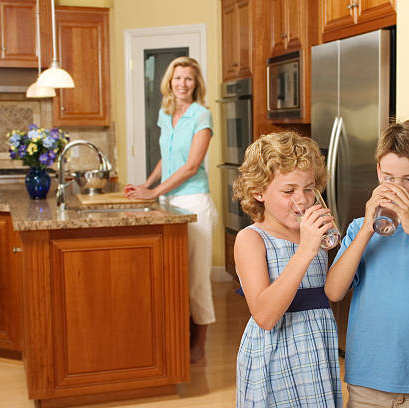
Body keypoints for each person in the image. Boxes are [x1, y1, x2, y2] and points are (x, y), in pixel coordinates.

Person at [324, 119, 409, 408]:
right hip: (368, 380)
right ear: (379, 171)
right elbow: (333, 291)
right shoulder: (360, 229)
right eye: (389, 178)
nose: (397, 188)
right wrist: (367, 229)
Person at [232, 131, 343, 407]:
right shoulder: (252, 239)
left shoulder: (313, 235)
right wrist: (306, 250)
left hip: (316, 349)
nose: (303, 200)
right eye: (288, 191)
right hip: (275, 356)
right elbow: (265, 316)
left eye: (308, 188)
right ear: (258, 191)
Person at [124, 56, 217, 364]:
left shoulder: (202, 115)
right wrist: (146, 186)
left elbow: (191, 166)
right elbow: (167, 158)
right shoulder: (166, 114)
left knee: (197, 278)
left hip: (194, 203)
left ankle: (200, 344)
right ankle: (180, 335)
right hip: (169, 202)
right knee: (174, 274)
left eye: (189, 79)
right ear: (170, 82)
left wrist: (153, 192)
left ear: (196, 83)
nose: (182, 84)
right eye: (178, 78)